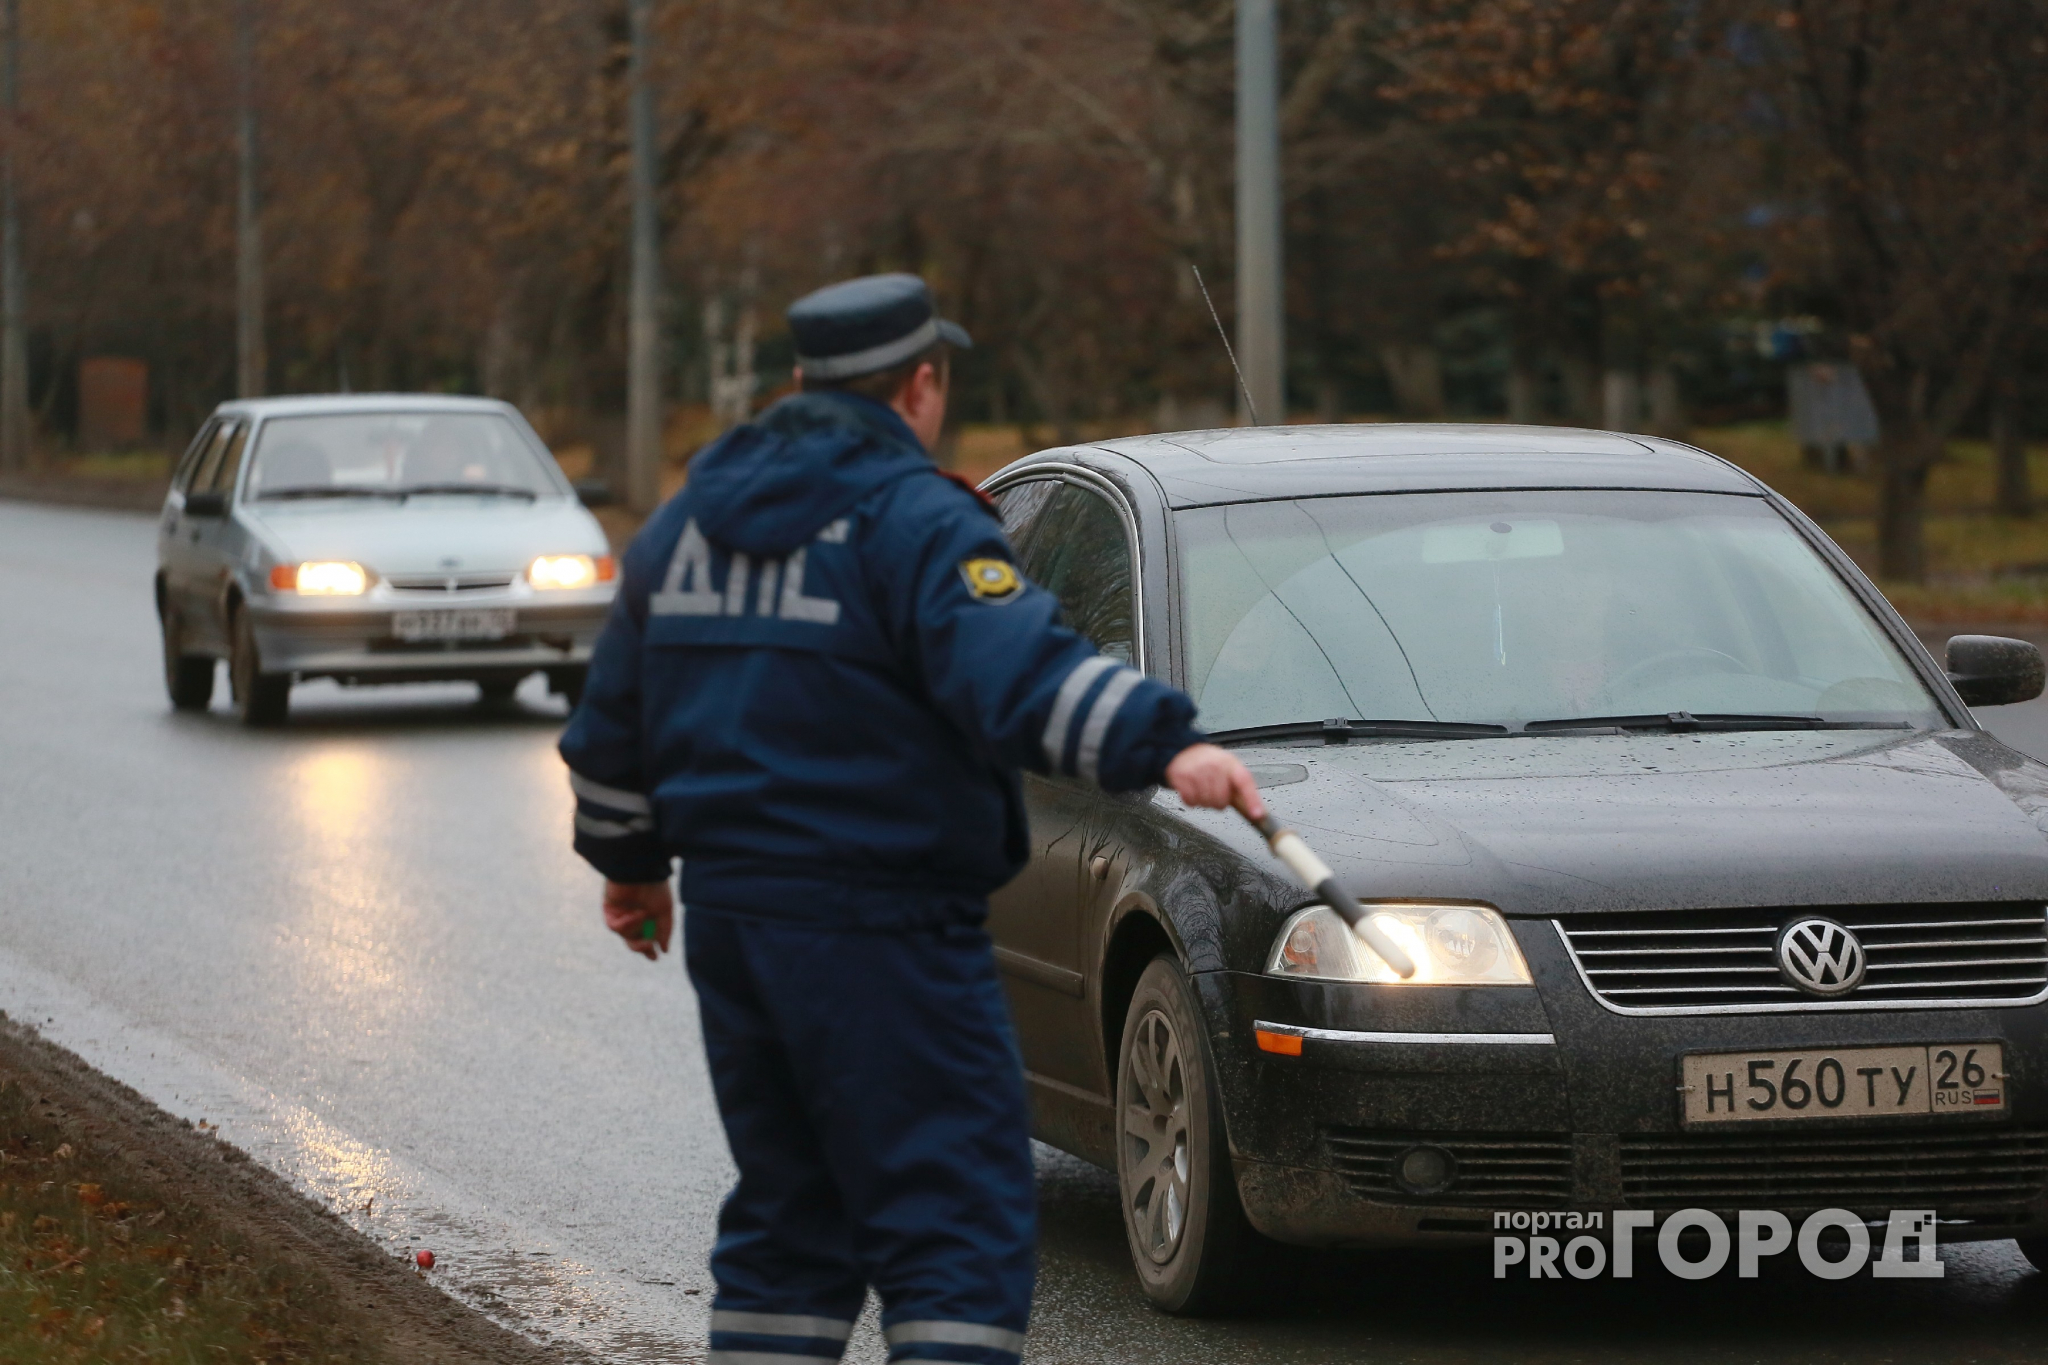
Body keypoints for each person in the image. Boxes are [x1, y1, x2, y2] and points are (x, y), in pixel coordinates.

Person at [558, 273, 1263, 1365]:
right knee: (956, 1220)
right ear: (921, 385)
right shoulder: (917, 524)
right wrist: (1164, 742)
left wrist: (631, 868)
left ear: (800, 384)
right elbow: (1014, 670)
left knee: (791, 1217)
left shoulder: (687, 526)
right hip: (885, 926)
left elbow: (613, 725)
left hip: (739, 924)